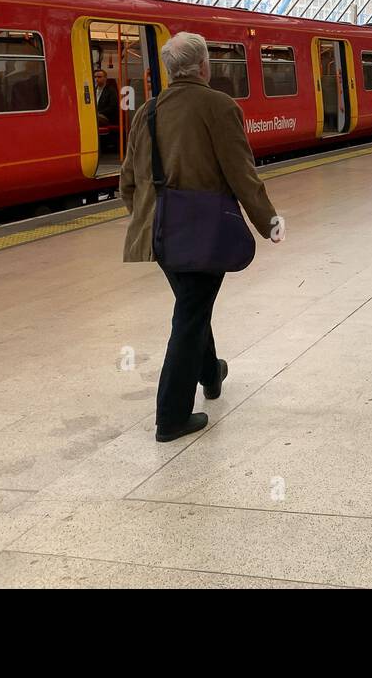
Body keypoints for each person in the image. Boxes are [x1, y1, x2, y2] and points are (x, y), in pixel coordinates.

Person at [120, 32, 283, 443]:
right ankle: (171, 417)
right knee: (189, 316)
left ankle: (211, 373)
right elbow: (240, 172)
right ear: (204, 66)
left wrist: (149, 221)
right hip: (205, 234)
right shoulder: (219, 106)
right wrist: (268, 222)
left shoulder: (148, 111)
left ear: (170, 70)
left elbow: (127, 182)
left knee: (192, 305)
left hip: (161, 236)